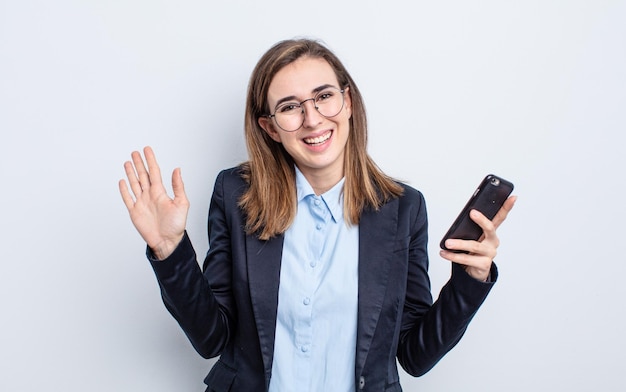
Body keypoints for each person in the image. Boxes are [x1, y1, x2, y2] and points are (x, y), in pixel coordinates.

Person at [119, 38, 516, 392]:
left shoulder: (403, 208)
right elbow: (211, 338)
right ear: (270, 128)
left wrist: (471, 280)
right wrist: (171, 251)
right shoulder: (235, 194)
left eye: (324, 96)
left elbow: (415, 356)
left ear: (348, 103)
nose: (312, 119)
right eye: (290, 107)